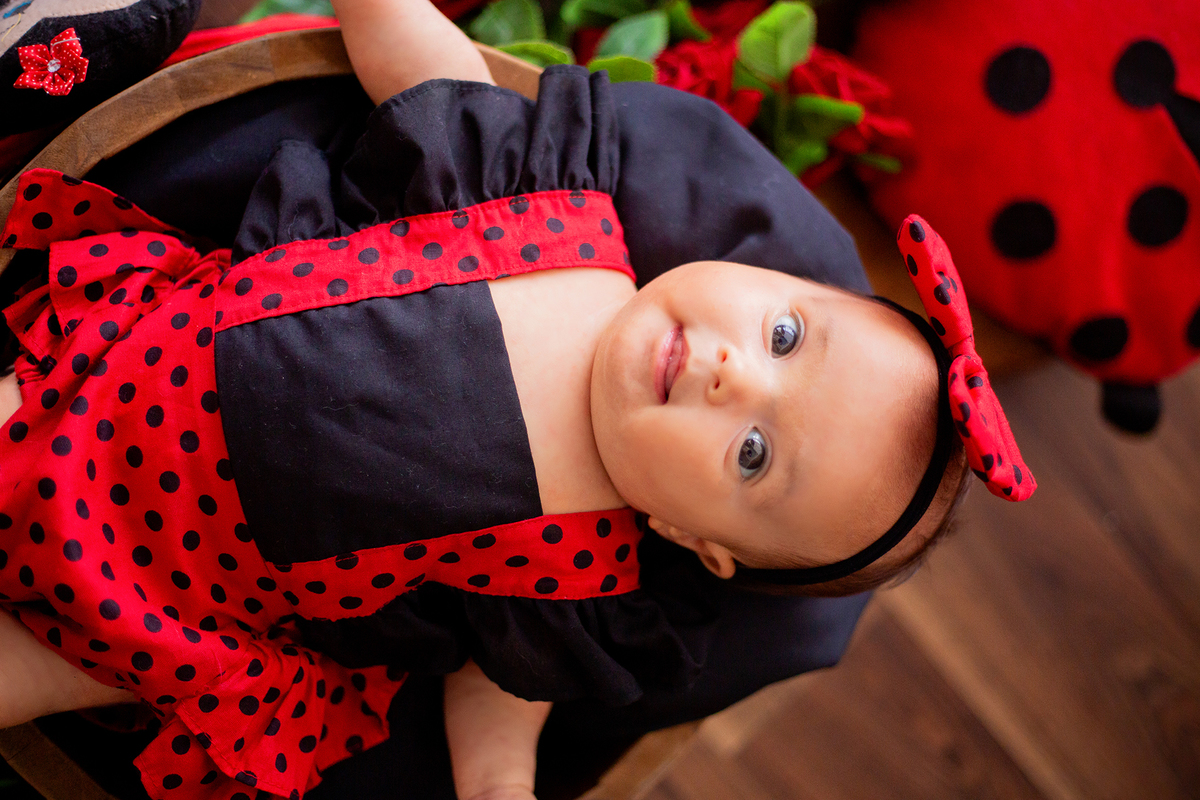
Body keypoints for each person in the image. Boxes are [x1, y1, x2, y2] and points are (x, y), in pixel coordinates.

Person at [0, 0, 1034, 798]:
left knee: (35, 675)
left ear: (693, 537)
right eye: (784, 335)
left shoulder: (588, 586)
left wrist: (499, 783)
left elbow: (498, 690)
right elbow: (418, 62)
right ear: (763, 272)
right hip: (118, 372)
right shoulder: (554, 207)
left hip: (173, 600)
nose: (734, 376)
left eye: (754, 453)